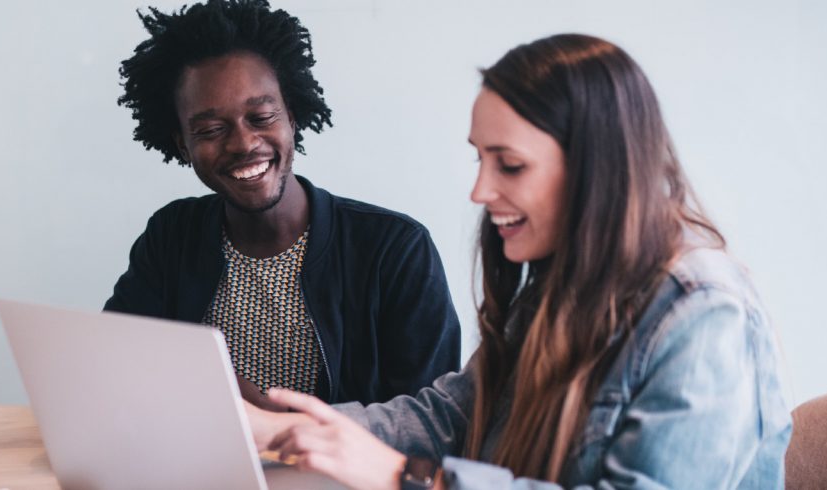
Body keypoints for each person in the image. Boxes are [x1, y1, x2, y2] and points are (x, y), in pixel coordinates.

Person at [245, 34, 792, 489]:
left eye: (509, 165)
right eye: (480, 159)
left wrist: (403, 478)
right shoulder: (559, 283)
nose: (481, 191)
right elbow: (451, 417)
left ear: (595, 169)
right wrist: (278, 431)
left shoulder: (703, 316)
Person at [104, 0, 461, 408]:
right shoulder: (172, 235)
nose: (243, 144)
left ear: (292, 116)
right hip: (195, 468)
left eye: (261, 117)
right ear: (182, 144)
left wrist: (280, 423)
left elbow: (429, 425)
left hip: (337, 473)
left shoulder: (395, 249)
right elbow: (116, 363)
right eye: (211, 129)